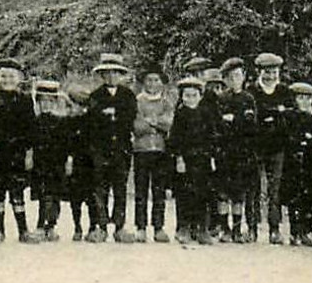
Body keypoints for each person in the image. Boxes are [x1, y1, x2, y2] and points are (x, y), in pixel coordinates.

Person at [0, 59, 37, 243]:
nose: (7, 80)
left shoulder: (25, 100)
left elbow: (31, 129)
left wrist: (29, 154)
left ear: (19, 78)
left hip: (17, 154)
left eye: (11, 76)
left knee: (17, 192)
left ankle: (23, 230)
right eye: (3, 76)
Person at [83, 54, 137, 243]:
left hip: (121, 149)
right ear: (102, 75)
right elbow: (91, 120)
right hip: (100, 148)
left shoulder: (128, 95)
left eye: (116, 73)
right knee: (100, 187)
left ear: (121, 75)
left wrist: (113, 113)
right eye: (107, 73)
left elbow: (130, 117)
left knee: (120, 187)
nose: (111, 77)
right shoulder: (96, 96)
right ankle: (101, 226)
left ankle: (120, 226)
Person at [250, 53, 294, 244]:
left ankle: (274, 229)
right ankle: (252, 228)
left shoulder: (284, 91)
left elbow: (289, 117)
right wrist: (276, 113)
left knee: (275, 189)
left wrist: (275, 116)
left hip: (277, 146)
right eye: (266, 72)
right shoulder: (252, 90)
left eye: (274, 72)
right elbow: (252, 118)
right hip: (256, 147)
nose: (270, 76)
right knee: (255, 188)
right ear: (259, 72)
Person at [213, 58, 259, 243]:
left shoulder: (248, 99)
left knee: (239, 194)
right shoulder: (221, 99)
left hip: (242, 152)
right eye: (230, 77)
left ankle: (238, 229)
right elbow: (218, 125)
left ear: (244, 77)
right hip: (225, 151)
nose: (234, 80)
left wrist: (235, 122)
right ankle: (225, 228)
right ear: (225, 80)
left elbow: (251, 125)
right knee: (223, 193)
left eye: (238, 76)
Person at [167, 75, 216, 244]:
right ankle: (183, 227)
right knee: (185, 194)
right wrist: (179, 159)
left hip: (202, 159)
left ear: (200, 96)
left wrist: (211, 157)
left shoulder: (206, 114)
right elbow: (175, 139)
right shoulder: (180, 115)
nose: (190, 99)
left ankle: (201, 228)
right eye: (187, 95)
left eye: (194, 95)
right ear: (181, 96)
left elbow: (212, 137)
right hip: (186, 161)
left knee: (202, 194)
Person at [32, 79, 81, 242]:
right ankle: (40, 225)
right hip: (40, 163)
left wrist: (69, 160)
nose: (46, 104)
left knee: (55, 196)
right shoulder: (35, 121)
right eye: (42, 101)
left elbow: (69, 143)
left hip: (57, 163)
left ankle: (51, 225)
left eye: (50, 101)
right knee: (43, 195)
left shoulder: (62, 122)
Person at [131, 65, 173, 242]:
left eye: (156, 80)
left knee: (159, 190)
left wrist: (152, 122)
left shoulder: (166, 102)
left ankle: (158, 227)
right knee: (141, 190)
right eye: (149, 80)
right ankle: (140, 227)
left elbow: (168, 123)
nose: (153, 84)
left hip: (160, 151)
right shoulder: (137, 101)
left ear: (162, 83)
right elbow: (137, 126)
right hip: (141, 150)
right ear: (143, 82)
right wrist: (155, 124)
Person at [282, 81, 312, 246]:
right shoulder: (288, 116)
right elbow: (285, 137)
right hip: (292, 160)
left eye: (307, 98)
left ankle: (306, 230)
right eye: (301, 98)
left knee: (308, 197)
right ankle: (294, 231)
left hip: (309, 162)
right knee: (293, 197)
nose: (304, 102)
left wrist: (309, 142)